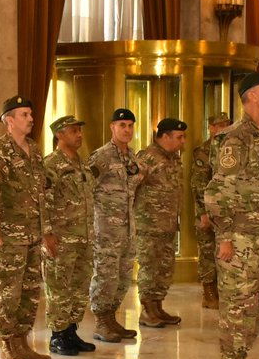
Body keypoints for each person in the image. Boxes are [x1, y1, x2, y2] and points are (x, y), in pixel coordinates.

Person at [204, 72, 259, 359]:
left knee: (253, 303)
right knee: (236, 303)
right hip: (239, 238)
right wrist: (224, 237)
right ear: (250, 96)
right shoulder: (234, 139)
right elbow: (218, 193)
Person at [0, 94, 50, 359]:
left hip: (33, 233)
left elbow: (41, 192)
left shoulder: (34, 149)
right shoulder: (0, 151)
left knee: (31, 290)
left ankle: (23, 342)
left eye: (30, 114)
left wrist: (45, 230)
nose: (30, 118)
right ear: (8, 120)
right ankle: (7, 346)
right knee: (9, 291)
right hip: (10, 235)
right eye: (23, 114)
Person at [41, 115, 96, 356]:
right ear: (60, 135)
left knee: (79, 286)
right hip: (61, 238)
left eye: (79, 130)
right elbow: (42, 202)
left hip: (83, 237)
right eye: (73, 131)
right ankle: (58, 335)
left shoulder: (81, 164)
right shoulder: (51, 165)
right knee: (59, 287)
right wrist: (47, 234)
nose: (79, 135)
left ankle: (71, 331)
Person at [88, 108, 143, 343]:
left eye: (130, 125)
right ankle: (101, 321)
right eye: (122, 125)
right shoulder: (101, 157)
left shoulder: (132, 158)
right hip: (106, 230)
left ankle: (111, 319)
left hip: (127, 229)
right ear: (112, 127)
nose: (127, 130)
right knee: (105, 276)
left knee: (122, 276)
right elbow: (87, 189)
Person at [134, 117, 188, 327]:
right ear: (164, 136)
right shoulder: (147, 157)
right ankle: (147, 311)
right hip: (148, 225)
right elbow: (133, 187)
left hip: (167, 224)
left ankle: (157, 306)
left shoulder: (174, 158)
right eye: (179, 137)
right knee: (149, 267)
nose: (183, 141)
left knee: (164, 268)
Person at [192, 111, 232, 310]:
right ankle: (209, 292)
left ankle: (224, 289)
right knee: (208, 251)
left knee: (225, 252)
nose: (224, 128)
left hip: (226, 213)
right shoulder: (203, 152)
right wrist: (203, 212)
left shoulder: (231, 149)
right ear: (212, 128)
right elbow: (199, 185)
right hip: (208, 211)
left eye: (226, 124)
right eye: (220, 125)